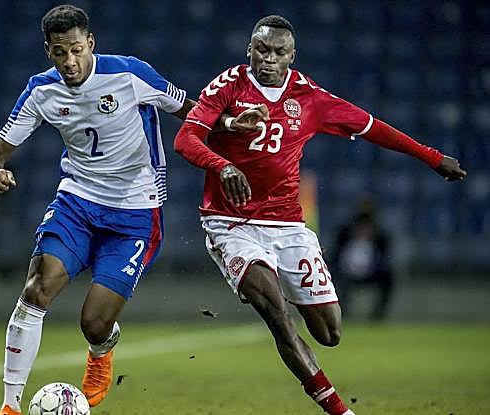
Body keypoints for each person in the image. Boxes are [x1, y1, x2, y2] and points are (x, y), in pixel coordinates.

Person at [174, 15, 466, 415]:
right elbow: (186, 138)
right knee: (277, 314)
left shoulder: (309, 97)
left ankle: (279, 286)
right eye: (262, 49)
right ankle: (339, 410)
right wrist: (221, 165)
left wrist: (432, 158)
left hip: (288, 225)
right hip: (231, 224)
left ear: (292, 56)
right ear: (249, 50)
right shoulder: (228, 85)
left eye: (279, 52)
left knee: (330, 332)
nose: (269, 58)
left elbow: (372, 127)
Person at [0, 5, 247, 415]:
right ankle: (9, 406)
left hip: (135, 211)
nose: (69, 61)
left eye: (76, 50)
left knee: (94, 322)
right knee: (37, 289)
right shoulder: (41, 91)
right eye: (59, 52)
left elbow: (190, 110)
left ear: (90, 43)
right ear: (48, 51)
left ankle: (101, 348)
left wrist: (228, 124)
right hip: (77, 201)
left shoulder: (129, 74)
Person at [331, 196, 394, 321]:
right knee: (335, 277)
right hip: (347, 272)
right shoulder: (345, 232)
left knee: (388, 277)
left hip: (371, 272)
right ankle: (342, 311)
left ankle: (378, 314)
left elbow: (385, 257)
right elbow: (335, 254)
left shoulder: (380, 235)